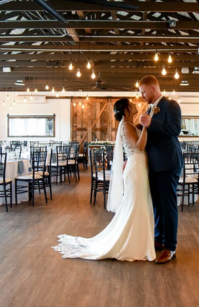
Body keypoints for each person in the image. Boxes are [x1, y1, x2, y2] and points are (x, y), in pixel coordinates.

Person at [53, 98, 156, 261]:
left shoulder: (129, 125)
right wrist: (146, 127)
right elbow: (139, 146)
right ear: (126, 109)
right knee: (136, 205)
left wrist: (142, 126)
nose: (134, 104)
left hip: (137, 166)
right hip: (136, 167)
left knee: (137, 205)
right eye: (131, 104)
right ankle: (134, 243)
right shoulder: (127, 126)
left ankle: (139, 241)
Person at [138, 75, 183, 264]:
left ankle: (170, 247)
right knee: (157, 204)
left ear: (154, 89)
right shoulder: (149, 108)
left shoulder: (171, 105)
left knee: (167, 205)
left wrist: (151, 123)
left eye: (143, 92)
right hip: (155, 164)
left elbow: (175, 129)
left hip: (168, 163)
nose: (141, 95)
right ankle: (159, 237)